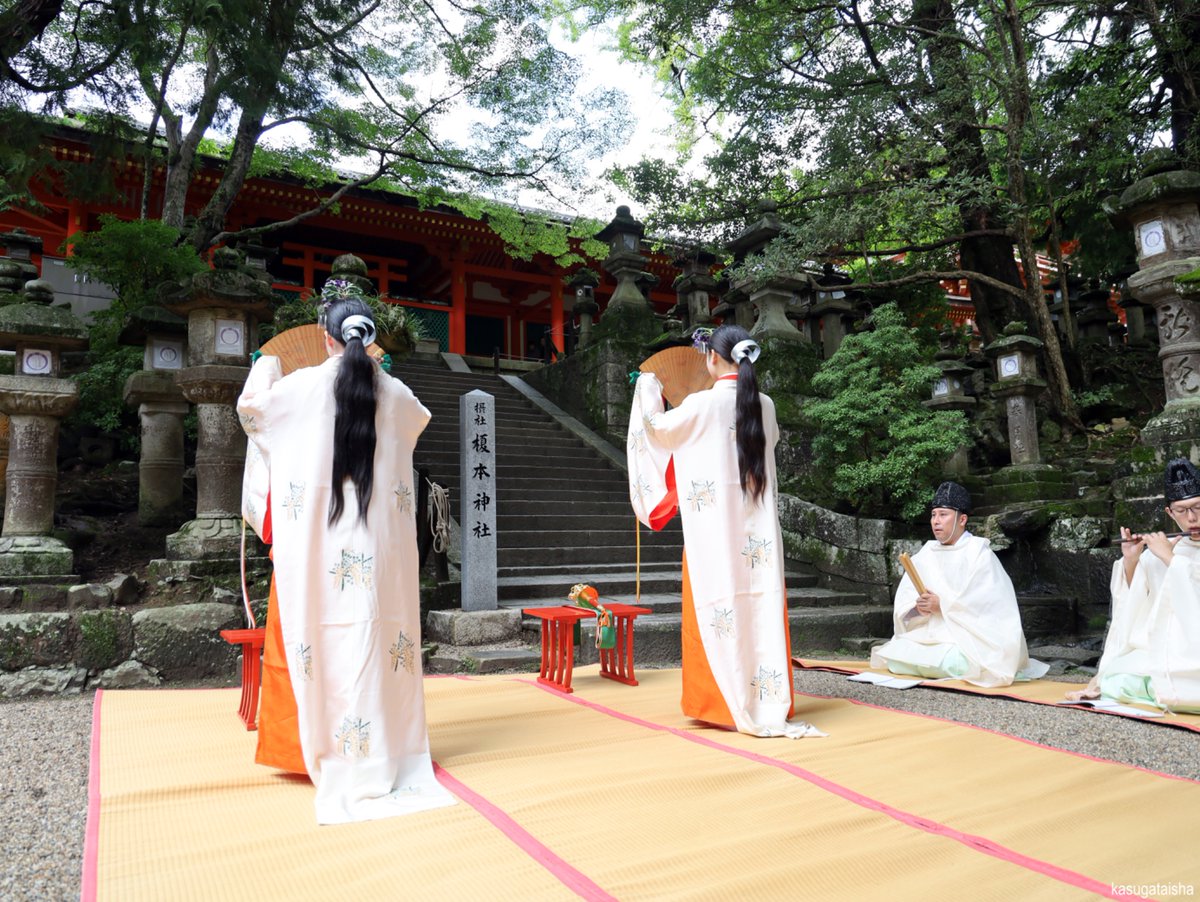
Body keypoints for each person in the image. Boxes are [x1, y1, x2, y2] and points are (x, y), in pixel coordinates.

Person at [237, 287, 455, 824]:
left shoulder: (301, 386)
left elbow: (254, 412)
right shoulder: (397, 393)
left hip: (319, 546)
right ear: (371, 339)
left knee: (315, 636)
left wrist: (266, 364)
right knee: (376, 640)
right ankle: (385, 743)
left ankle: (314, 746)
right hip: (379, 549)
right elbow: (417, 417)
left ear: (325, 336)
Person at [628, 324, 822, 739]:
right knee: (760, 604)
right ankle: (768, 697)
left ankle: (718, 702)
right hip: (759, 534)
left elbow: (657, 429)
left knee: (716, 605)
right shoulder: (764, 405)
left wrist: (648, 388)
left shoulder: (702, 405)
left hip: (715, 531)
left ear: (713, 358)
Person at [871, 481, 1048, 687]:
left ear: (962, 519)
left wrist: (942, 606)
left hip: (964, 637)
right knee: (895, 657)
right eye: (933, 515)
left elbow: (992, 609)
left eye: (943, 515)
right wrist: (919, 609)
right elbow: (904, 610)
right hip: (928, 632)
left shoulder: (979, 554)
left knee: (954, 661)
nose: (936, 521)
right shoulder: (926, 553)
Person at [1065, 458, 1200, 712]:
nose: (1191, 518)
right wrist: (1132, 560)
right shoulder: (1163, 549)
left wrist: (1170, 559)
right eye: (1181, 511)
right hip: (1164, 646)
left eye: (1197, 507)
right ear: (1170, 513)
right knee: (1116, 678)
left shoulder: (1165, 552)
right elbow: (1136, 601)